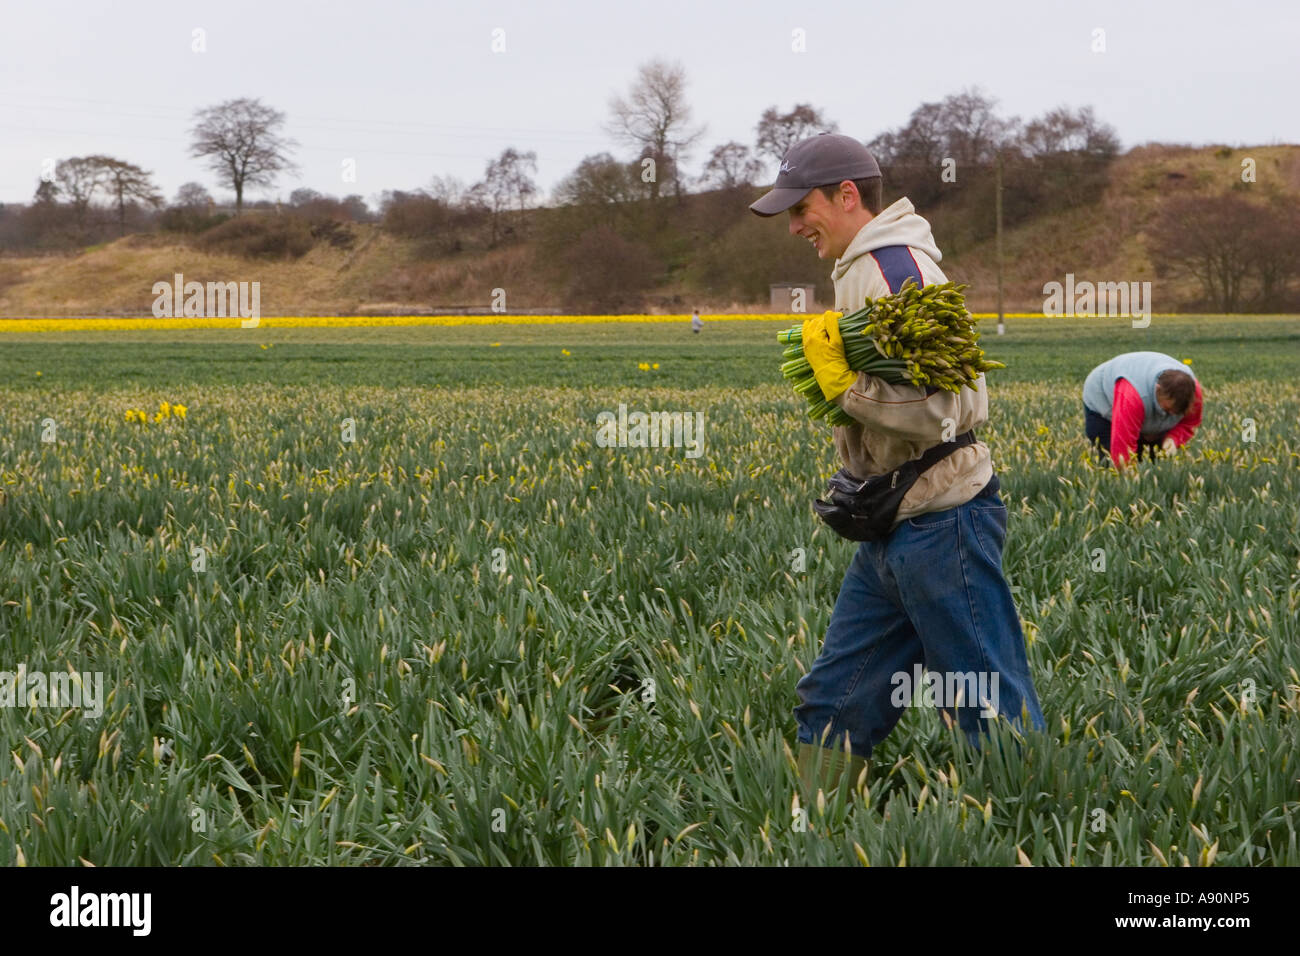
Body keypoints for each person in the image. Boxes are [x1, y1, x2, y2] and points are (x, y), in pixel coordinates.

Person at [750, 132, 1046, 795]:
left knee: (985, 701)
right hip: (893, 522)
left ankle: (1028, 825)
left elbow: (942, 404)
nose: (795, 225)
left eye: (802, 209)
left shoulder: (893, 269)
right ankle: (810, 827)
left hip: (944, 520)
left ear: (846, 195)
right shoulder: (861, 267)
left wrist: (839, 386)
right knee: (837, 698)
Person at [1082, 352, 1201, 471]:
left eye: (1177, 412)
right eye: (1168, 409)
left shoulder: (1191, 393)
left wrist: (1173, 439)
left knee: (1153, 465)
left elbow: (1189, 422)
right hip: (1102, 404)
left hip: (1140, 404)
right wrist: (1131, 479)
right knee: (1111, 466)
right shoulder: (1132, 395)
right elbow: (1122, 446)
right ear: (1158, 389)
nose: (1172, 414)